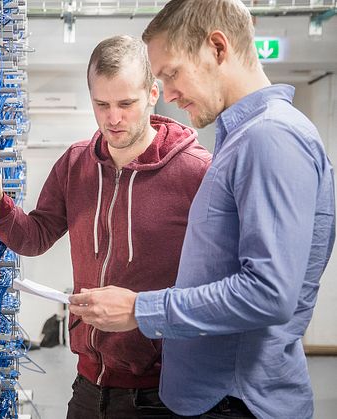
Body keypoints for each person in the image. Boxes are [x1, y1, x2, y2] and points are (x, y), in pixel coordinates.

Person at [68, 1, 336, 418]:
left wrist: (142, 309)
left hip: (236, 402)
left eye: (172, 74)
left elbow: (269, 292)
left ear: (217, 47)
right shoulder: (240, 139)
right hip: (216, 399)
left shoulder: (269, 139)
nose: (169, 94)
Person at [0, 35, 211, 418]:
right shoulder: (76, 163)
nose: (113, 118)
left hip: (162, 393)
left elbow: (220, 281)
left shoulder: (197, 171)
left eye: (126, 104)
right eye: (102, 104)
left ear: (153, 94)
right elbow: (35, 236)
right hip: (88, 387)